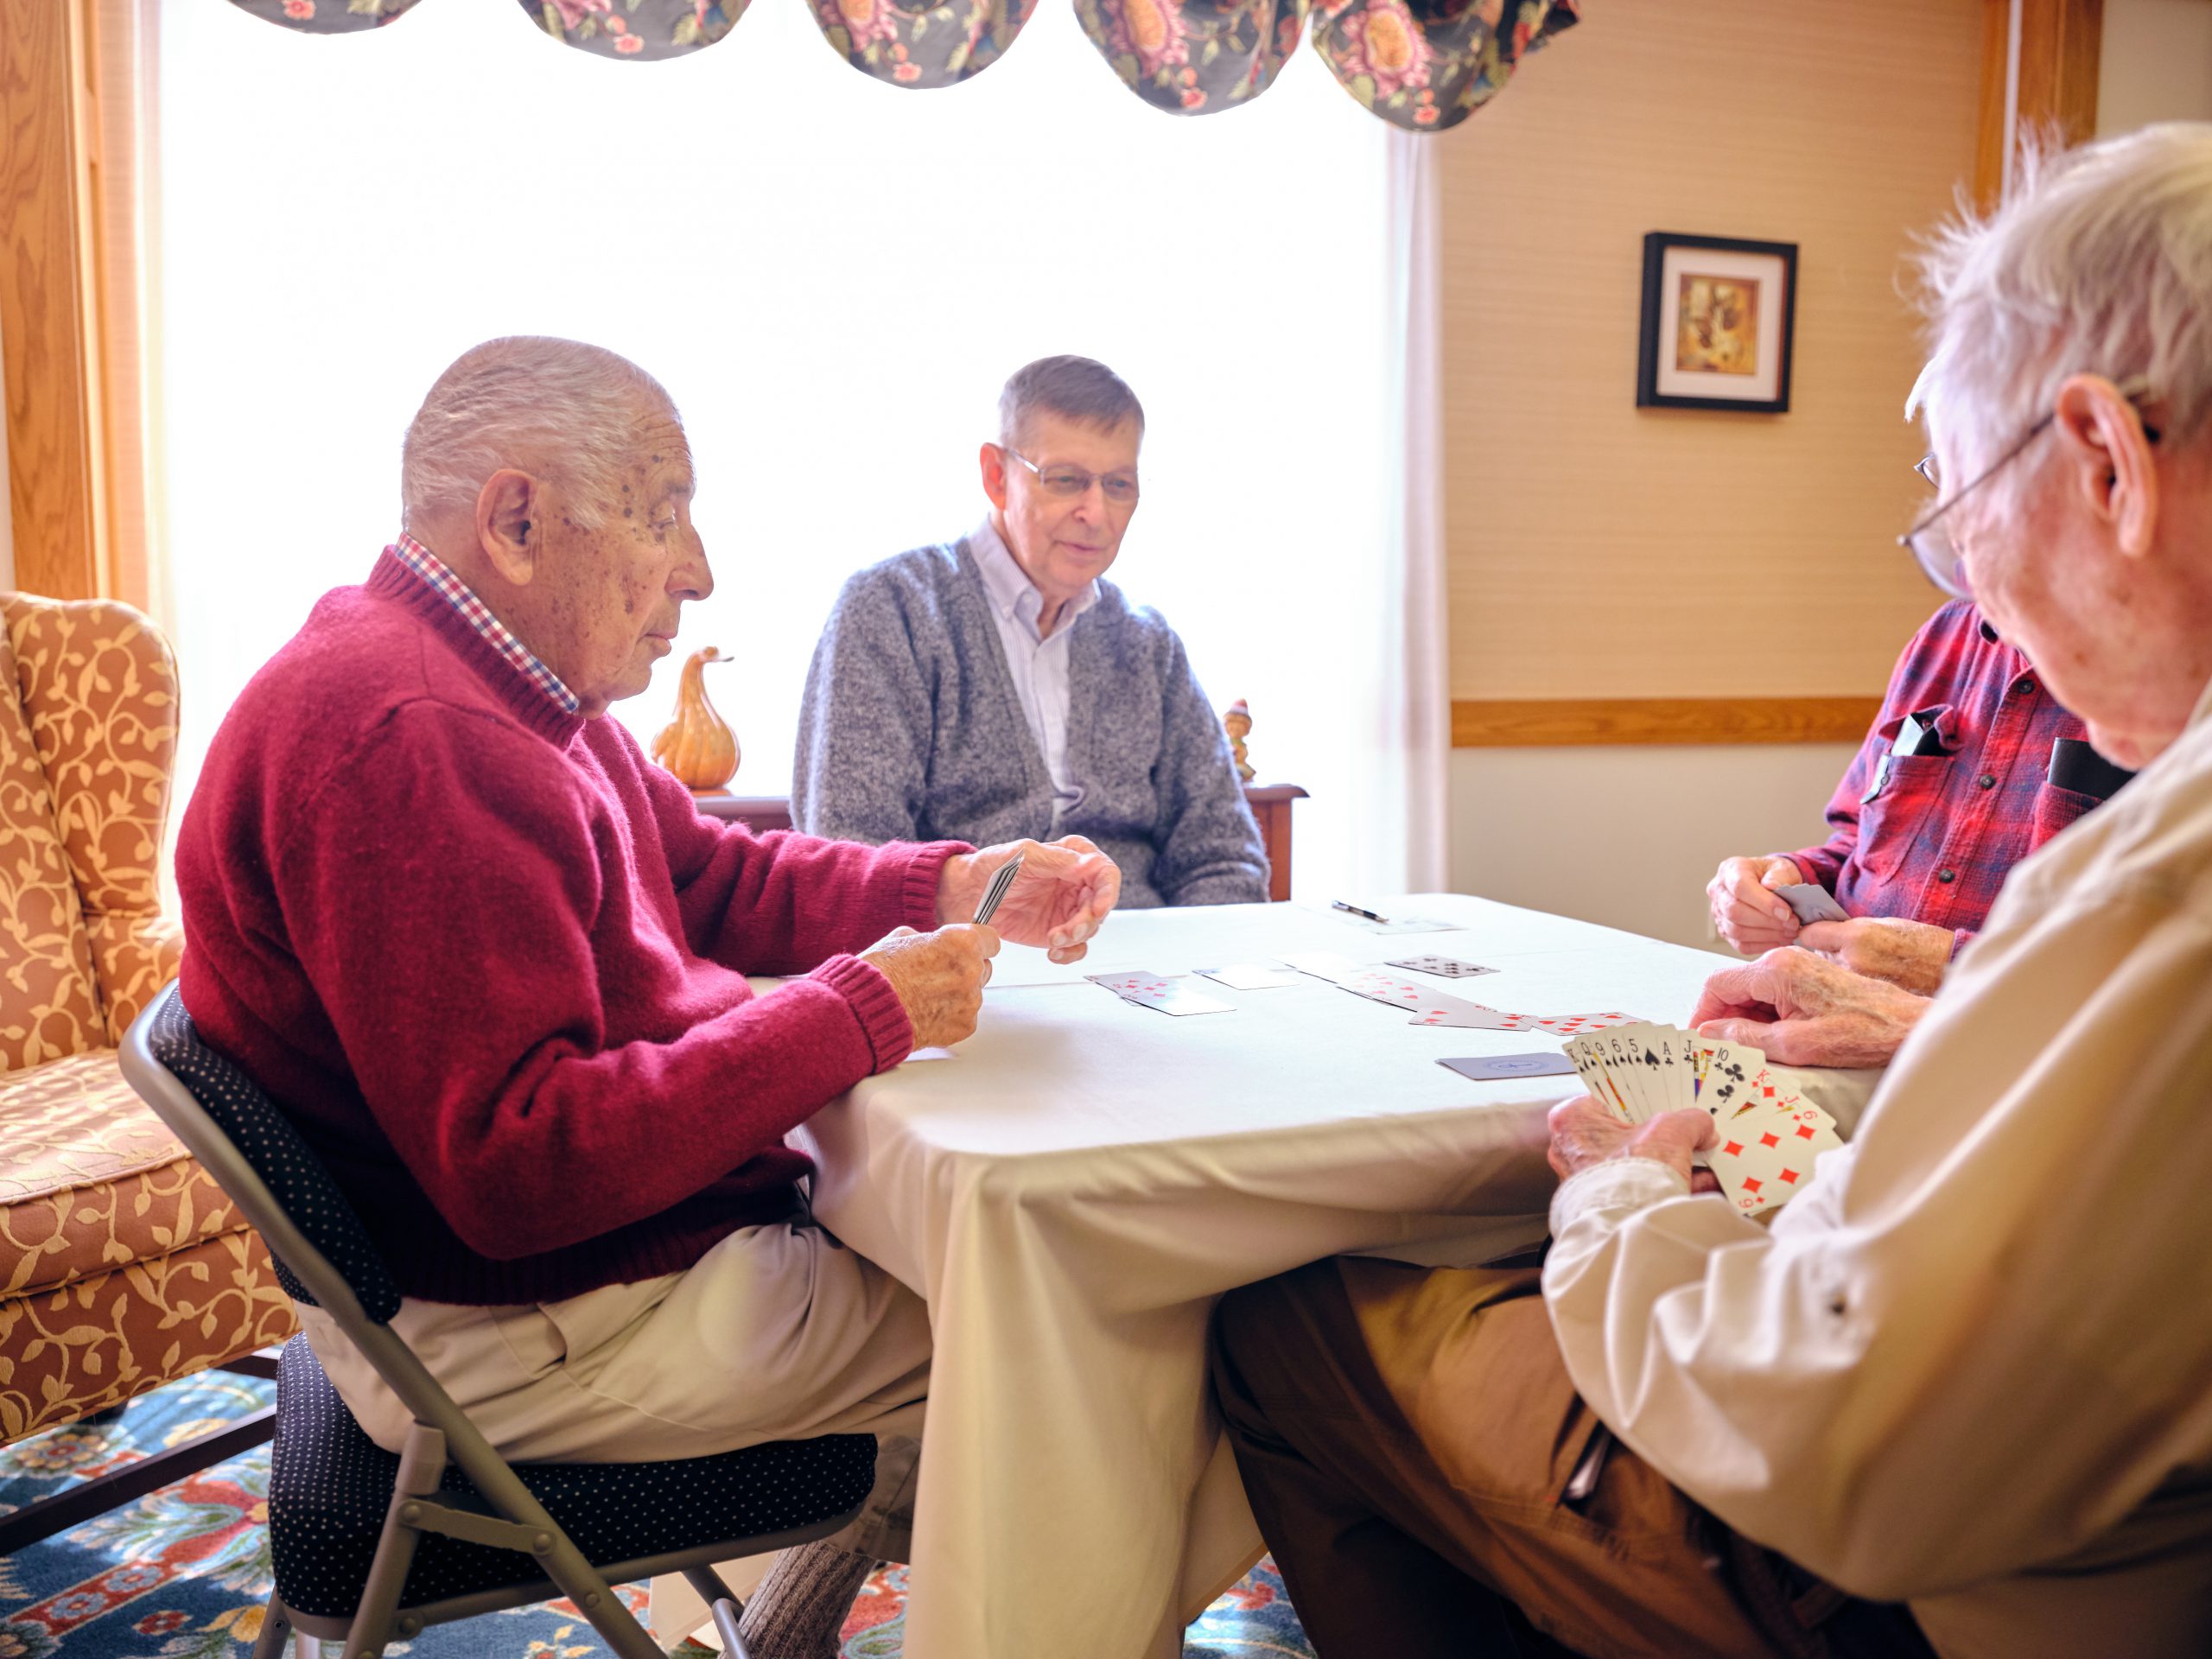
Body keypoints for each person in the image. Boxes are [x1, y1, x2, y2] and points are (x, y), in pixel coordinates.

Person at [1211, 124, 2212, 1658]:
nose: (1971, 590)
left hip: (1954, 1585)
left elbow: (1843, 1441)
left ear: (2105, 465)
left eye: (1960, 519)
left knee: (1289, 1310)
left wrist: (1619, 1195)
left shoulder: (2160, 891)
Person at [175, 337, 1122, 1656]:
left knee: (1010, 1272)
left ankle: (807, 1618)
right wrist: (863, 1009)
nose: (700, 568)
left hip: (537, 1284)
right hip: (535, 1327)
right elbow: (524, 1167)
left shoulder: (492, 688)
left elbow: (705, 873)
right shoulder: (418, 740)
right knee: (1096, 1319)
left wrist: (955, 886)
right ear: (514, 521)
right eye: (662, 515)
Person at [791, 354, 1269, 907]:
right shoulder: (893, 611)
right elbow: (850, 859)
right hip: (966, 959)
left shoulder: (1147, 643)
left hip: (1149, 960)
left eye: (1119, 485)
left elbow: (1225, 858)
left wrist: (1196, 973)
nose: (1097, 512)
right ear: (997, 477)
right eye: (1066, 481)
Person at [1707, 601, 2130, 998]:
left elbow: (2160, 962)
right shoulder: (1944, 635)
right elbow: (1858, 841)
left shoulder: (2171, 681)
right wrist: (1786, 880)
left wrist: (1951, 967)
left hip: (2009, 1051)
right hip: (1833, 1009)